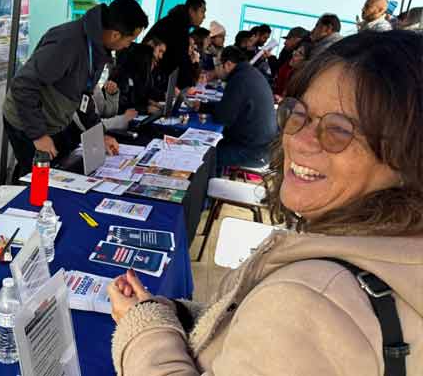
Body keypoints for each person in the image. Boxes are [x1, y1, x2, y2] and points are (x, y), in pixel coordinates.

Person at [108, 30, 422, 375]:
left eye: (339, 129)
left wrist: (143, 328)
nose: (298, 140)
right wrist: (170, 315)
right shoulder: (397, 250)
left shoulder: (308, 300)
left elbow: (289, 329)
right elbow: (253, 342)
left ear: (408, 157)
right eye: (298, 114)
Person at [3, 0, 147, 175]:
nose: (128, 46)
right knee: (38, 181)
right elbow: (23, 85)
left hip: (54, 119)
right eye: (130, 40)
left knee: (62, 172)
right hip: (25, 121)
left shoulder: (98, 47)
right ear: (116, 34)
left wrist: (99, 134)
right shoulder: (67, 43)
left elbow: (84, 96)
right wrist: (38, 135)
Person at [195, 46, 277, 173]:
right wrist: (203, 106)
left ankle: (206, 190)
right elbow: (228, 107)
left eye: (217, 66)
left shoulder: (240, 79)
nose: (216, 71)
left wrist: (206, 109)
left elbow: (223, 117)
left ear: (227, 65)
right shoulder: (248, 73)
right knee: (213, 145)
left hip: (253, 151)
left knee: (205, 155)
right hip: (260, 146)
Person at [144, 0, 206, 90]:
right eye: (202, 11)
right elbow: (179, 60)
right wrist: (188, 85)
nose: (204, 17)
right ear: (191, 11)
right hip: (152, 79)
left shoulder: (178, 23)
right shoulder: (177, 26)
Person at [110, 38, 166, 115]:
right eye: (150, 62)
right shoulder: (124, 77)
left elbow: (137, 99)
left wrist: (151, 103)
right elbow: (120, 108)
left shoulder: (137, 77)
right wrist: (146, 109)